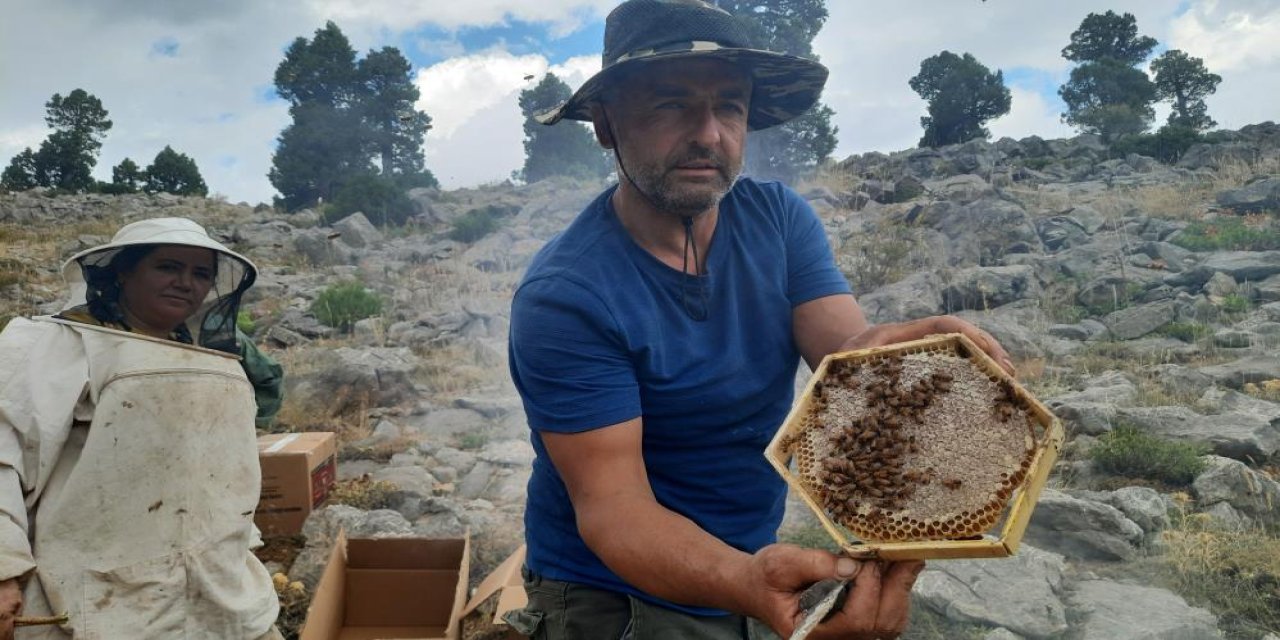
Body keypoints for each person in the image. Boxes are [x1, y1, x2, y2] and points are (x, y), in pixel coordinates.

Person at [506, 1, 1016, 639]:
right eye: (671, 105)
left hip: (750, 563)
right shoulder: (566, 296)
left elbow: (843, 367)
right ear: (606, 125)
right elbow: (614, 510)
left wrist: (885, 358)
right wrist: (747, 583)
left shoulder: (778, 218)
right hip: (613, 592)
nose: (709, 134)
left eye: (730, 107)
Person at [0, 217, 283, 639]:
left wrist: (244, 543)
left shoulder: (215, 360)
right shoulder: (56, 342)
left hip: (220, 594)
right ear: (123, 271)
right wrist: (5, 572)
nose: (185, 282)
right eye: (168, 266)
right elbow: (6, 455)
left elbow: (222, 473)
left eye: (201, 273)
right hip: (94, 603)